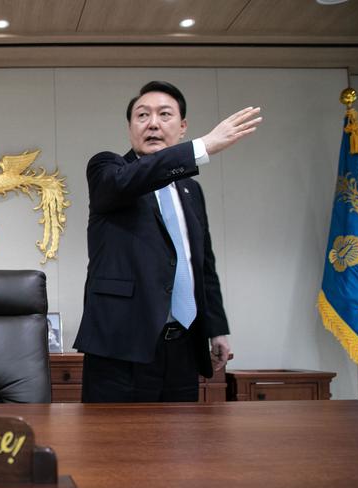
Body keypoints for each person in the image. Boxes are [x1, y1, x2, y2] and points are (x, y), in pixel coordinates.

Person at [73, 80, 262, 402]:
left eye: (165, 114)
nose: (153, 124)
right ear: (130, 127)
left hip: (184, 346)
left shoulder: (191, 190)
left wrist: (216, 327)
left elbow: (202, 264)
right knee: (114, 447)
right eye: (142, 116)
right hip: (121, 346)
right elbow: (129, 180)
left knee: (181, 446)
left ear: (182, 126)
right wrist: (203, 147)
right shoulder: (108, 169)